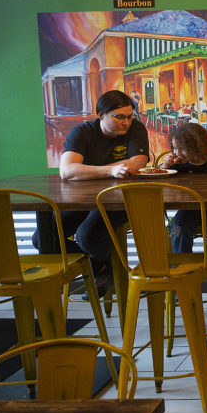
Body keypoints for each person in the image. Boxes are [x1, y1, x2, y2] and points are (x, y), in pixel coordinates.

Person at [32, 89, 150, 292]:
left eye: (129, 117)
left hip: (119, 201)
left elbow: (137, 163)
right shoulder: (82, 132)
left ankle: (100, 268)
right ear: (101, 115)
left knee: (86, 236)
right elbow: (67, 171)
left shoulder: (136, 129)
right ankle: (101, 266)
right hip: (82, 200)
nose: (126, 122)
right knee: (43, 238)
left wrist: (86, 170)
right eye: (119, 117)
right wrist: (112, 170)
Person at [161, 123, 207, 299]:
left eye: (182, 149)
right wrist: (164, 167)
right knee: (178, 231)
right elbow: (160, 187)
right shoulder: (176, 167)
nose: (177, 153)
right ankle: (182, 281)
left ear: (197, 146)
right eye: (175, 149)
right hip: (188, 209)